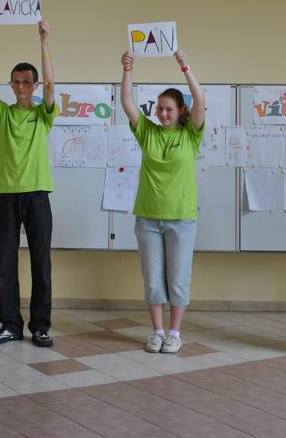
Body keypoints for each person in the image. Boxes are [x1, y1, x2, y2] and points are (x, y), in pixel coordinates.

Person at [119, 49, 205, 354]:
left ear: (181, 111)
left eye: (169, 109)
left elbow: (201, 100)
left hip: (181, 218)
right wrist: (127, 69)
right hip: (148, 217)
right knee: (153, 280)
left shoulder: (191, 135)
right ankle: (157, 331)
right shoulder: (148, 132)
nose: (163, 114)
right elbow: (127, 102)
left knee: (178, 279)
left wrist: (185, 66)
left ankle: (174, 333)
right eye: (159, 108)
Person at [0, 18, 57, 347]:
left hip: (37, 195)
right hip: (7, 196)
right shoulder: (4, 114)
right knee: (6, 265)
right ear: (11, 85)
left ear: (34, 86)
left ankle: (41, 326)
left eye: (26, 82)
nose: (21, 86)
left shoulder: (43, 114)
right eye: (16, 82)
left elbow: (51, 84)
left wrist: (43, 39)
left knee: (41, 264)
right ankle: (10, 324)